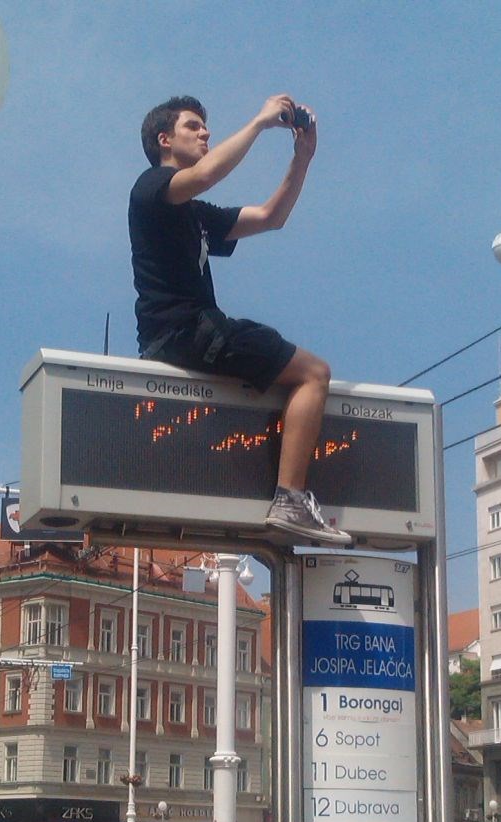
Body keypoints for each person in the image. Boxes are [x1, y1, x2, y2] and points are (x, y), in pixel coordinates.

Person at [129, 94, 350, 548]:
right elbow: (206, 175)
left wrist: (302, 158)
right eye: (194, 126)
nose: (205, 132)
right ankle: (289, 498)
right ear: (164, 139)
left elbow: (271, 217)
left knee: (285, 375)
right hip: (186, 330)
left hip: (179, 335)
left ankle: (280, 487)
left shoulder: (196, 214)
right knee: (314, 374)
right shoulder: (151, 187)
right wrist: (260, 122)